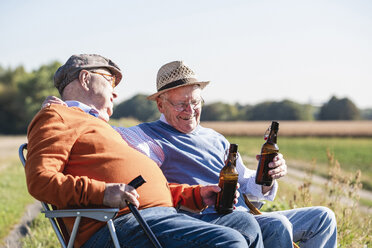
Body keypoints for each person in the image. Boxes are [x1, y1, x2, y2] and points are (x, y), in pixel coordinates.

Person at [43, 60, 338, 247]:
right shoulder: (146, 136)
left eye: (195, 102)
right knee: (275, 224)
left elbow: (249, 187)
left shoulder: (216, 139)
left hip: (234, 211)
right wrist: (66, 108)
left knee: (322, 217)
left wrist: (268, 176)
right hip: (199, 219)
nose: (190, 110)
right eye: (180, 104)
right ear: (161, 105)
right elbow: (107, 140)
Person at [27, 54, 264, 248]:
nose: (116, 92)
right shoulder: (58, 116)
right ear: (86, 78)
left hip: (156, 216)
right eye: (110, 80)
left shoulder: (103, 128)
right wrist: (102, 193)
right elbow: (40, 181)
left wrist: (194, 195)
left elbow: (140, 187)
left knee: (246, 224)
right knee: (228, 241)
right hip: (115, 226)